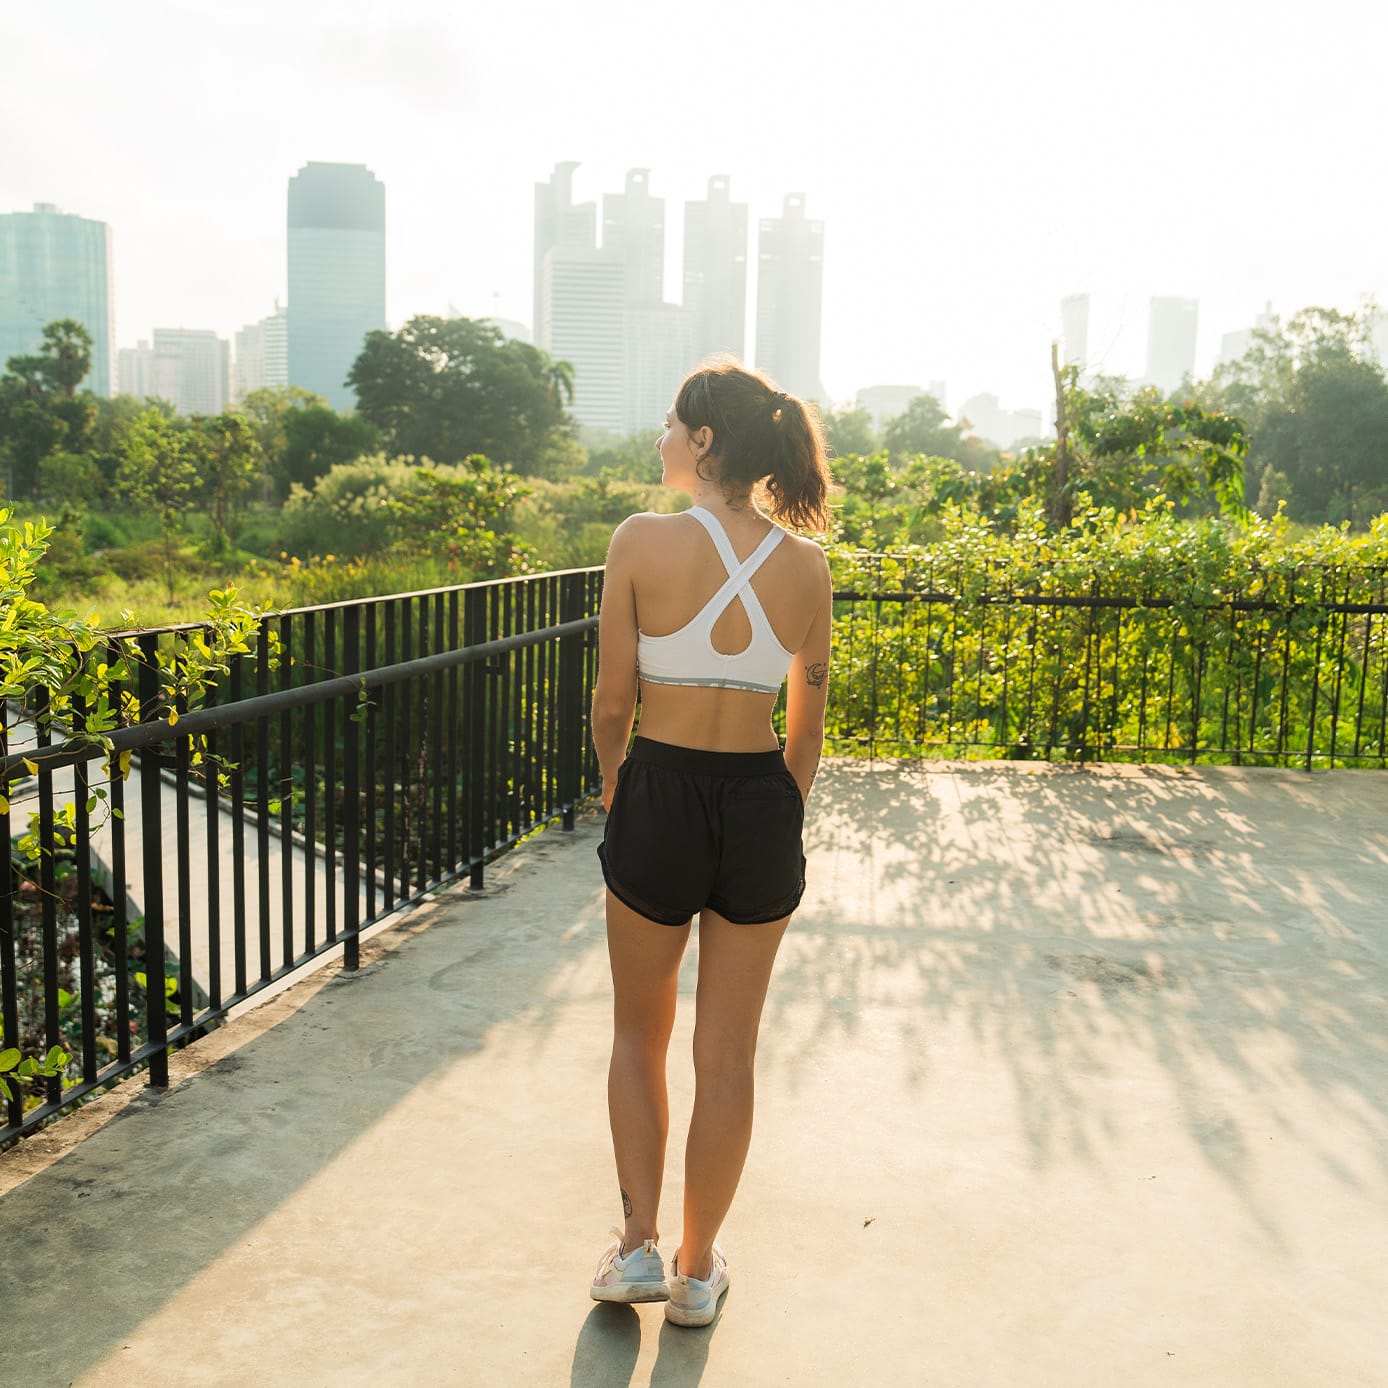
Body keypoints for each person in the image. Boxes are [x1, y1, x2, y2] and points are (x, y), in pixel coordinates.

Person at [587, 361, 833, 1327]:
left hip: (659, 790)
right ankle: (697, 1272)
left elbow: (614, 702)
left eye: (668, 424)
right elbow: (808, 724)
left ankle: (637, 1249)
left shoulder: (640, 542)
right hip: (760, 800)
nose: (658, 438)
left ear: (704, 443)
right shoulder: (807, 565)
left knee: (637, 1035)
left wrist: (619, 787)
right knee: (728, 1052)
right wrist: (779, 809)